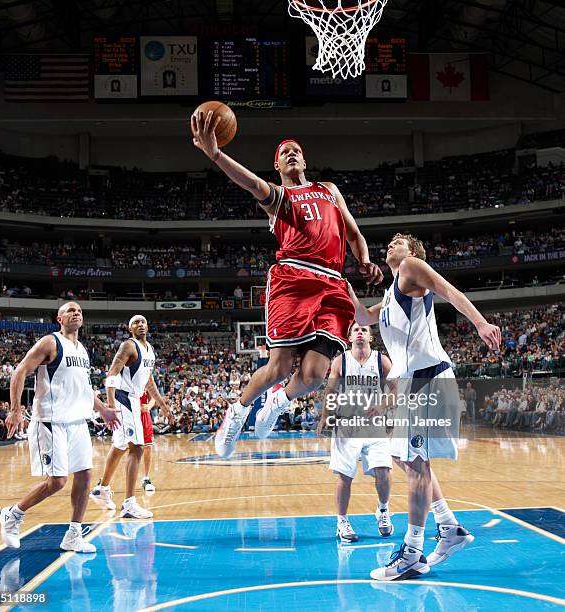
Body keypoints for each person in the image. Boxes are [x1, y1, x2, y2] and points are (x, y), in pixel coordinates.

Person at [192, 112, 383, 459]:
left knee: (313, 375)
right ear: (277, 165)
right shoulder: (279, 197)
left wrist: (365, 259)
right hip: (293, 279)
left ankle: (278, 402)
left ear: (305, 159)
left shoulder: (328, 191)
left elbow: (353, 232)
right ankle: (236, 413)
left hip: (332, 283)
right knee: (279, 366)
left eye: (297, 150)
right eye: (285, 152)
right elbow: (250, 183)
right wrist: (215, 154)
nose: (292, 153)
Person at [349, 233, 501, 581]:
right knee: (403, 458)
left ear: (414, 252)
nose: (392, 244)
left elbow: (450, 291)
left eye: (399, 241)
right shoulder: (390, 295)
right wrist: (336, 278)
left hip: (428, 379)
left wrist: (480, 322)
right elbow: (360, 313)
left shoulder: (411, 267)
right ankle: (449, 527)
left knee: (416, 464)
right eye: (390, 241)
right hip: (413, 385)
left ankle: (413, 554)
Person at [0, 302, 119, 552]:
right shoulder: (50, 342)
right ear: (59, 318)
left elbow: (84, 389)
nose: (76, 313)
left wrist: (103, 409)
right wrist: (15, 408)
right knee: (57, 481)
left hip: (77, 422)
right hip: (52, 421)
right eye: (70, 310)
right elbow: (20, 371)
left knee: (85, 475)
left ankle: (74, 535)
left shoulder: (83, 350)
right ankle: (13, 514)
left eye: (80, 311)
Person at [319, 323, 395, 542]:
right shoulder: (340, 361)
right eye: (356, 330)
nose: (360, 332)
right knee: (345, 476)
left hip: (374, 425)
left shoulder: (382, 360)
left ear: (371, 337)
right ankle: (341, 521)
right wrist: (325, 416)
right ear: (350, 337)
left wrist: (381, 406)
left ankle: (383, 510)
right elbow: (330, 391)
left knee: (384, 471)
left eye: (364, 330)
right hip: (347, 425)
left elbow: (397, 390)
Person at [90, 315, 168, 518]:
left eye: (143, 321)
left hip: (134, 399)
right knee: (137, 448)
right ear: (130, 328)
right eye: (136, 322)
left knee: (119, 447)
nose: (140, 324)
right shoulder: (128, 346)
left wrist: (162, 405)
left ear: (148, 325)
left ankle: (102, 490)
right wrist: (110, 405)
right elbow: (111, 374)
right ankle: (129, 504)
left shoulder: (149, 349)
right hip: (124, 399)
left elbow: (148, 382)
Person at [140, 390, 156, 493]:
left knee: (148, 447)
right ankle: (104, 482)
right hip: (128, 416)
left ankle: (146, 478)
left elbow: (153, 397)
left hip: (144, 416)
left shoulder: (146, 377)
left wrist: (149, 406)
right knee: (119, 449)